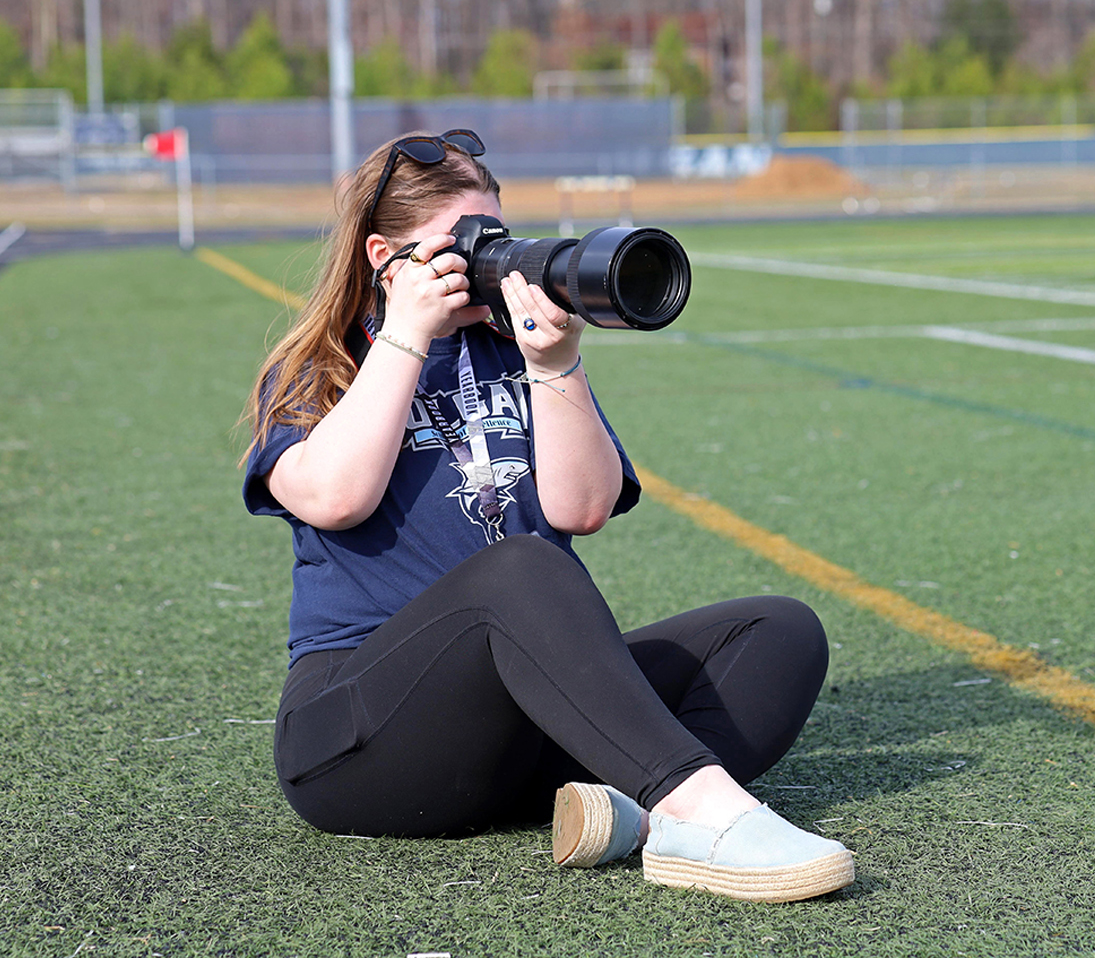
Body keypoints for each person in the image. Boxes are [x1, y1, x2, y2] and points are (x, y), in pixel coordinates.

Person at [239, 129, 853, 903]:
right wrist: (407, 333)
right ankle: (700, 813)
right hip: (359, 742)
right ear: (384, 258)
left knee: (777, 632)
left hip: (514, 735)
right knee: (521, 567)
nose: (479, 261)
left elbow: (583, 507)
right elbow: (335, 497)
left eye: (492, 236)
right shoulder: (319, 366)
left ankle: (630, 814)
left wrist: (555, 363)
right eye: (456, 246)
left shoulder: (515, 352)